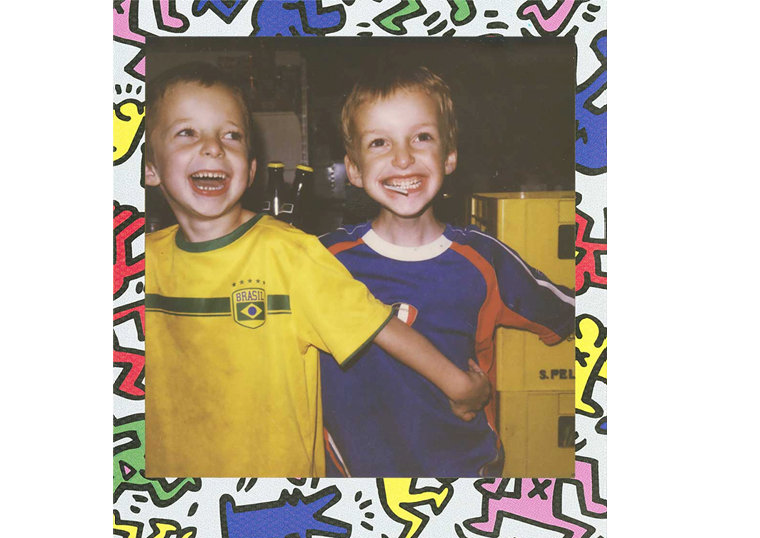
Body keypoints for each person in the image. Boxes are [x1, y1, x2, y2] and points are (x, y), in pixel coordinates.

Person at [141, 63, 491, 478]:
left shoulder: (292, 254)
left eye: (231, 135)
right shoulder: (137, 262)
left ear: (251, 169)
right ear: (149, 168)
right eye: (187, 132)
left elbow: (379, 325)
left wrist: (458, 385)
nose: (213, 147)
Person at [320, 66, 574, 477]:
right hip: (354, 482)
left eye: (421, 137)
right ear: (353, 169)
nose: (403, 157)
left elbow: (575, 310)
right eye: (379, 142)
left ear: (449, 156)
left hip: (463, 474)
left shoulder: (485, 260)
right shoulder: (322, 261)